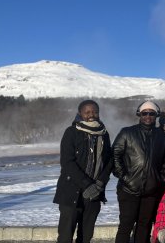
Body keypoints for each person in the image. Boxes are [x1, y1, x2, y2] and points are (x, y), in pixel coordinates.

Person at [112, 101, 165, 243]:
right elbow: (115, 155)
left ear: (156, 115)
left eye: (152, 113)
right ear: (139, 114)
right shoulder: (127, 133)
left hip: (151, 191)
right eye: (145, 113)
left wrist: (159, 179)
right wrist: (124, 177)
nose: (148, 116)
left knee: (145, 226)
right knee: (125, 226)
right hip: (128, 189)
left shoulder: (164, 138)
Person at [53, 100, 113, 243]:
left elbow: (109, 160)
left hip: (94, 194)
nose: (91, 115)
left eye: (95, 112)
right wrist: (87, 184)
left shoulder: (103, 134)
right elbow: (67, 162)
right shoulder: (71, 132)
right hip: (71, 192)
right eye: (87, 112)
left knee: (86, 236)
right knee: (65, 236)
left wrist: (100, 183)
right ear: (80, 114)